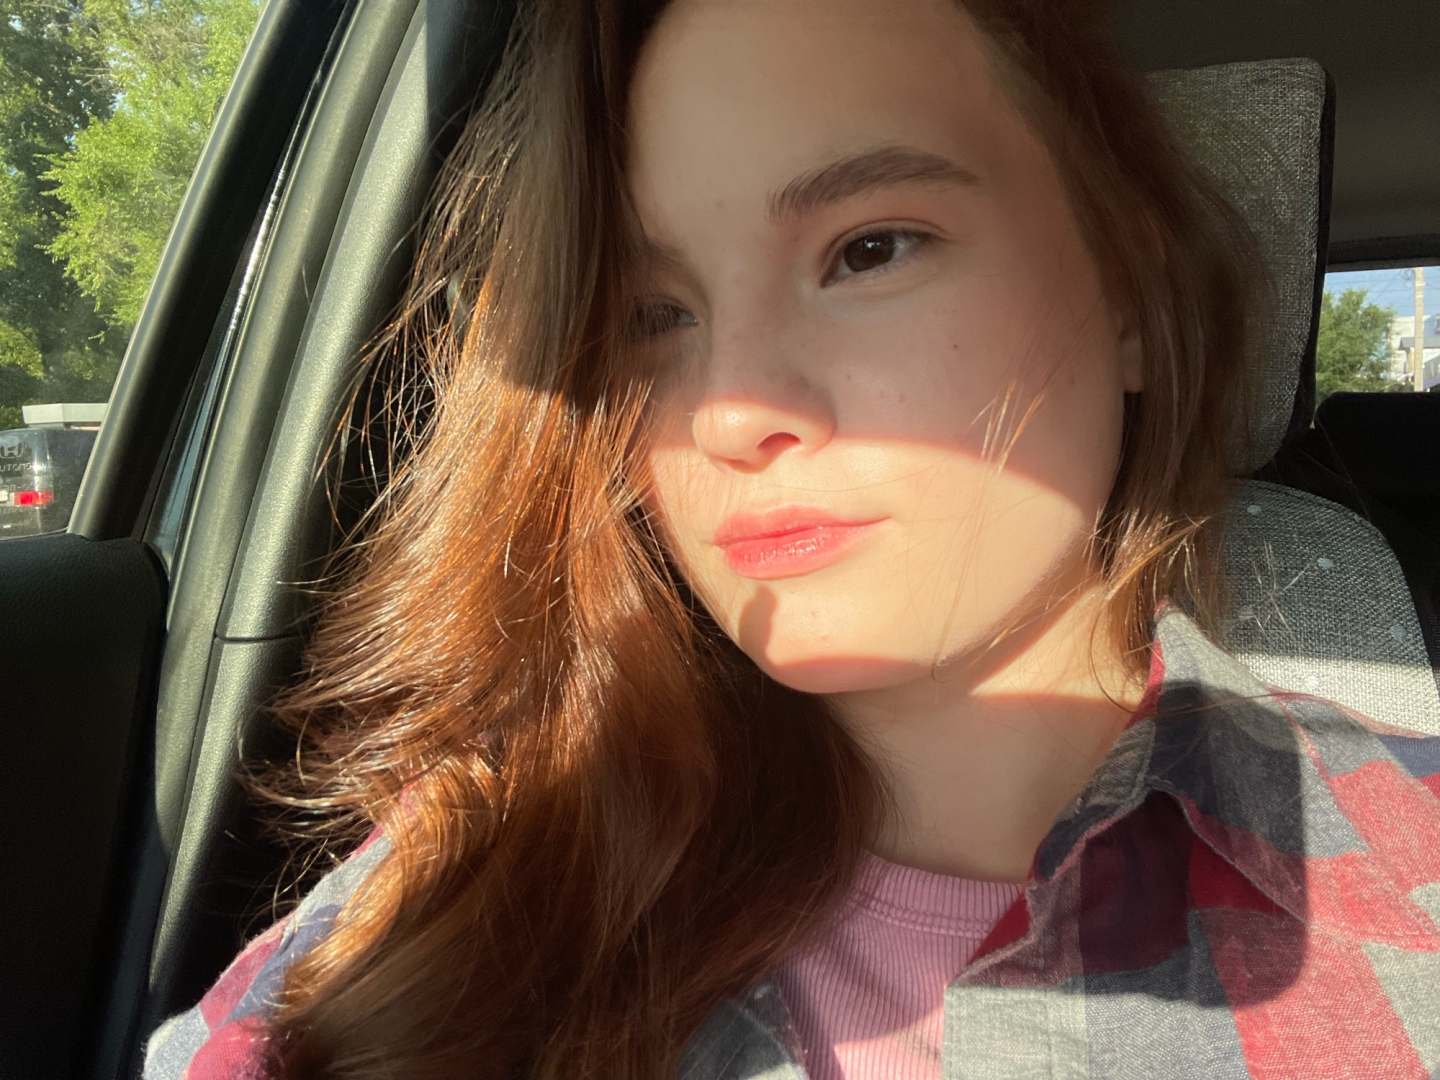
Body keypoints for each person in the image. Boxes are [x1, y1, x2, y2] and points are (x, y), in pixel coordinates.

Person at [145, 0, 1440, 1077]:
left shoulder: (1404, 863)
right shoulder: (478, 876)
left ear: (1134, 296)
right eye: (653, 315)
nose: (728, 408)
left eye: (869, 249)